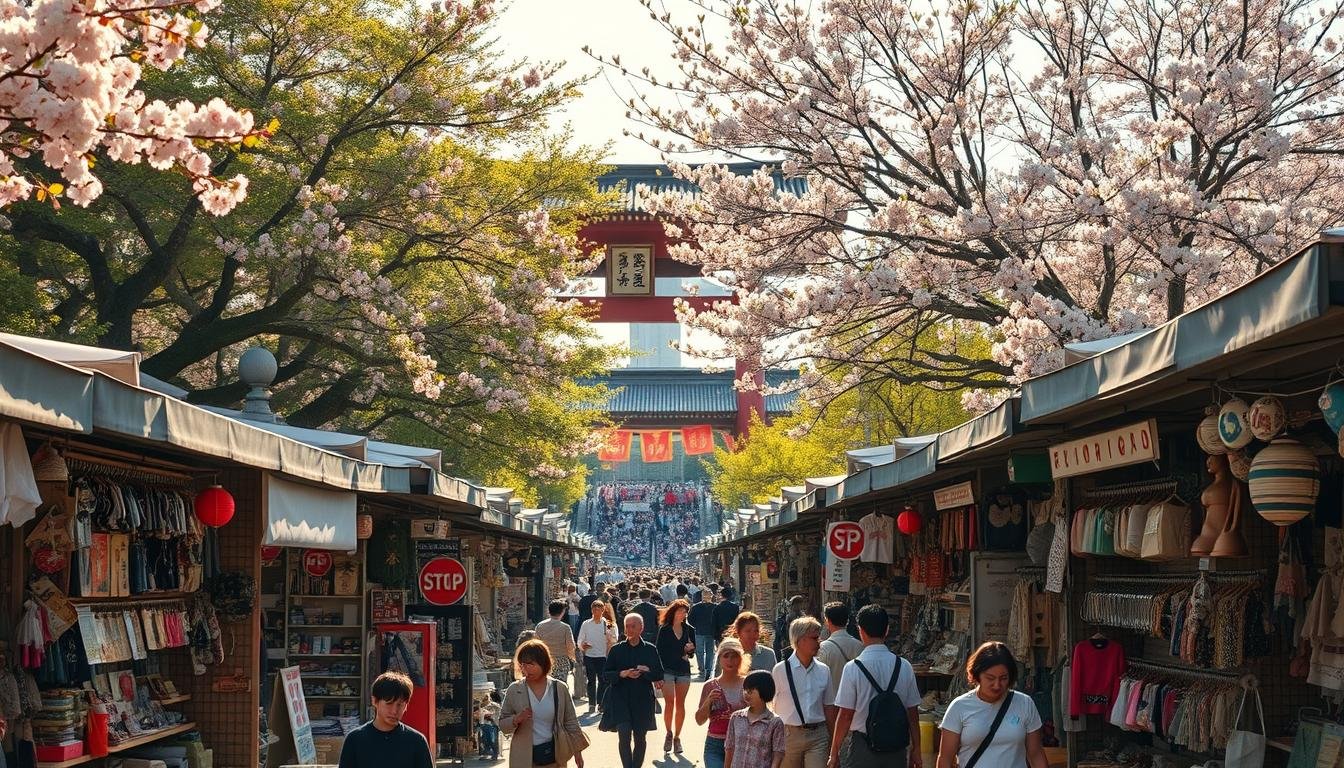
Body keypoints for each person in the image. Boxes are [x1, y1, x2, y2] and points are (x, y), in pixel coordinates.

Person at [827, 604, 921, 768]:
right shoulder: (904, 666)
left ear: (860, 631)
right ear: (887, 630)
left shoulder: (853, 668)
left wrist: (834, 753)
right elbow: (912, 714)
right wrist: (917, 749)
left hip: (863, 748)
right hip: (896, 748)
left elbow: (846, 715)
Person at [937, 642, 1049, 768]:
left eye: (1003, 678)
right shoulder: (959, 707)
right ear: (977, 675)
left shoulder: (1025, 704)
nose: (997, 685)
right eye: (990, 678)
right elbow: (945, 759)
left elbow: (1036, 755)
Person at [499, 640, 586, 768]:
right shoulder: (515, 689)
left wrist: (577, 752)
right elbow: (502, 724)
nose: (526, 669)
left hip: (554, 755)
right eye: (523, 665)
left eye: (531, 664)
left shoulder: (559, 688)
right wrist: (517, 719)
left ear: (543, 664)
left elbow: (571, 721)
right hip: (524, 757)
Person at [600, 614, 665, 768]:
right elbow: (606, 675)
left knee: (640, 737)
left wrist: (645, 671)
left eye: (633, 626)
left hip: (642, 700)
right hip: (620, 698)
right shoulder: (617, 649)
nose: (629, 629)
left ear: (641, 628)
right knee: (624, 734)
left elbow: (659, 674)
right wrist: (622, 673)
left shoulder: (650, 649)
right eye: (627, 626)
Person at [771, 617, 835, 768]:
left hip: (818, 735)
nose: (819, 642)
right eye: (814, 638)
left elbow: (829, 707)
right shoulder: (780, 670)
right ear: (799, 640)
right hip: (788, 735)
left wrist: (834, 743)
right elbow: (771, 706)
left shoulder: (824, 670)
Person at [338, 671, 433, 768]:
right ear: (375, 701)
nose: (394, 711)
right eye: (389, 703)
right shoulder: (355, 739)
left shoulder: (416, 741)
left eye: (400, 705)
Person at [696, 639, 749, 768]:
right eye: (726, 656)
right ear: (719, 658)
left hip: (742, 744)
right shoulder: (710, 686)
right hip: (715, 744)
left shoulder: (748, 684)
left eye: (734, 656)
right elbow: (699, 720)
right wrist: (708, 701)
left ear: (741, 658)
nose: (730, 660)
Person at [656, 598, 697, 754]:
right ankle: (668, 733)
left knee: (681, 704)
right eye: (681, 611)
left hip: (683, 670)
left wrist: (690, 650)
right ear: (674, 612)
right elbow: (658, 651)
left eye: (685, 611)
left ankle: (677, 737)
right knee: (670, 703)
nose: (683, 614)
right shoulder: (665, 629)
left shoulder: (689, 630)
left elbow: (693, 653)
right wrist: (657, 674)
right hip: (667, 669)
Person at [725, 670, 786, 768]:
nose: (746, 693)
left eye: (751, 690)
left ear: (764, 690)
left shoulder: (775, 722)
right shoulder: (736, 718)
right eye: (745, 689)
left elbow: (778, 753)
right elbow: (729, 748)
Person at [816, 602, 862, 703]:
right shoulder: (860, 646)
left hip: (832, 705)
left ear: (827, 621)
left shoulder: (823, 648)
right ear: (847, 621)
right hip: (856, 706)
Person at [577, 599, 617, 715]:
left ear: (603, 610)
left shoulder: (608, 624)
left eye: (598, 609)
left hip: (602, 656)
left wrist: (610, 637)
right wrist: (582, 645)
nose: (596, 611)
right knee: (591, 680)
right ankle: (591, 704)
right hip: (589, 655)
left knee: (602, 681)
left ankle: (601, 704)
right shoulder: (586, 623)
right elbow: (580, 639)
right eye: (594, 609)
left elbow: (614, 639)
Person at [536, 601, 578, 687]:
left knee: (546, 686)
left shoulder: (540, 626)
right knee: (560, 687)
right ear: (562, 612)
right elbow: (570, 646)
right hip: (561, 660)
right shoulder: (565, 627)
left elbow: (536, 644)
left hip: (545, 660)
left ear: (549, 611)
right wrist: (572, 658)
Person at [689, 586, 719, 680]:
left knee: (703, 651)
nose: (706, 597)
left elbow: (690, 619)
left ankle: (704, 669)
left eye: (707, 595)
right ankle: (705, 669)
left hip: (703, 631)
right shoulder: (714, 607)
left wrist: (696, 625)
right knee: (705, 651)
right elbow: (690, 619)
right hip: (704, 631)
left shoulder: (697, 607)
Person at [774, 596, 809, 660]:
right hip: (788, 645)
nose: (798, 606)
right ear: (792, 605)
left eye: (800, 604)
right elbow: (782, 632)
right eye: (796, 604)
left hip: (800, 644)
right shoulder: (785, 617)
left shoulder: (803, 616)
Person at [477, 691, 502, 762]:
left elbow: (496, 713)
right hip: (484, 725)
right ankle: (486, 754)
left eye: (484, 698)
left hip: (492, 725)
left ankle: (494, 755)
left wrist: (489, 716)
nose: (483, 700)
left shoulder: (494, 705)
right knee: (485, 740)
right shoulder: (481, 706)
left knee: (493, 740)